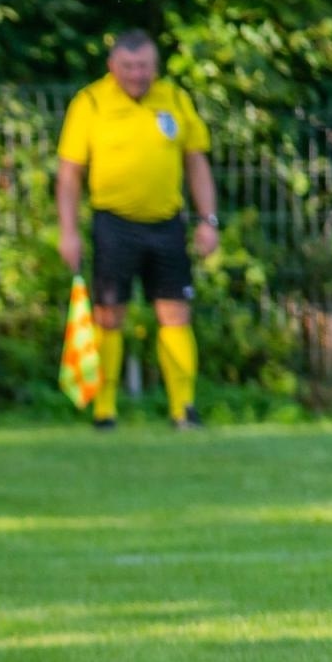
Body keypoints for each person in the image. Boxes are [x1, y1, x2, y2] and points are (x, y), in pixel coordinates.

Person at [55, 29, 219, 429]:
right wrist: (68, 231)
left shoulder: (175, 99)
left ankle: (184, 409)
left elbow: (196, 162)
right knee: (109, 314)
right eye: (128, 66)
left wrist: (208, 220)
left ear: (155, 66)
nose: (137, 74)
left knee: (175, 312)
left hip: (167, 224)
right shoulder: (91, 101)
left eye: (144, 66)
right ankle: (105, 409)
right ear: (113, 66)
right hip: (113, 224)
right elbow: (69, 174)